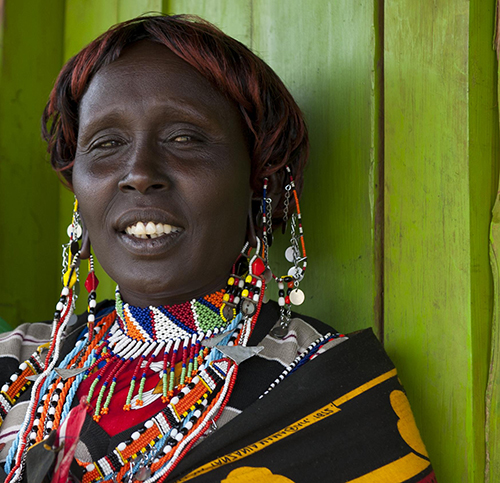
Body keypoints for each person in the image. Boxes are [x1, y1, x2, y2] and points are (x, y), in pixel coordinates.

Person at [0, 14, 436, 483]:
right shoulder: (18, 362)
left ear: (257, 180)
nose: (139, 172)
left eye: (183, 138)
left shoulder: (323, 389)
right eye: (106, 143)